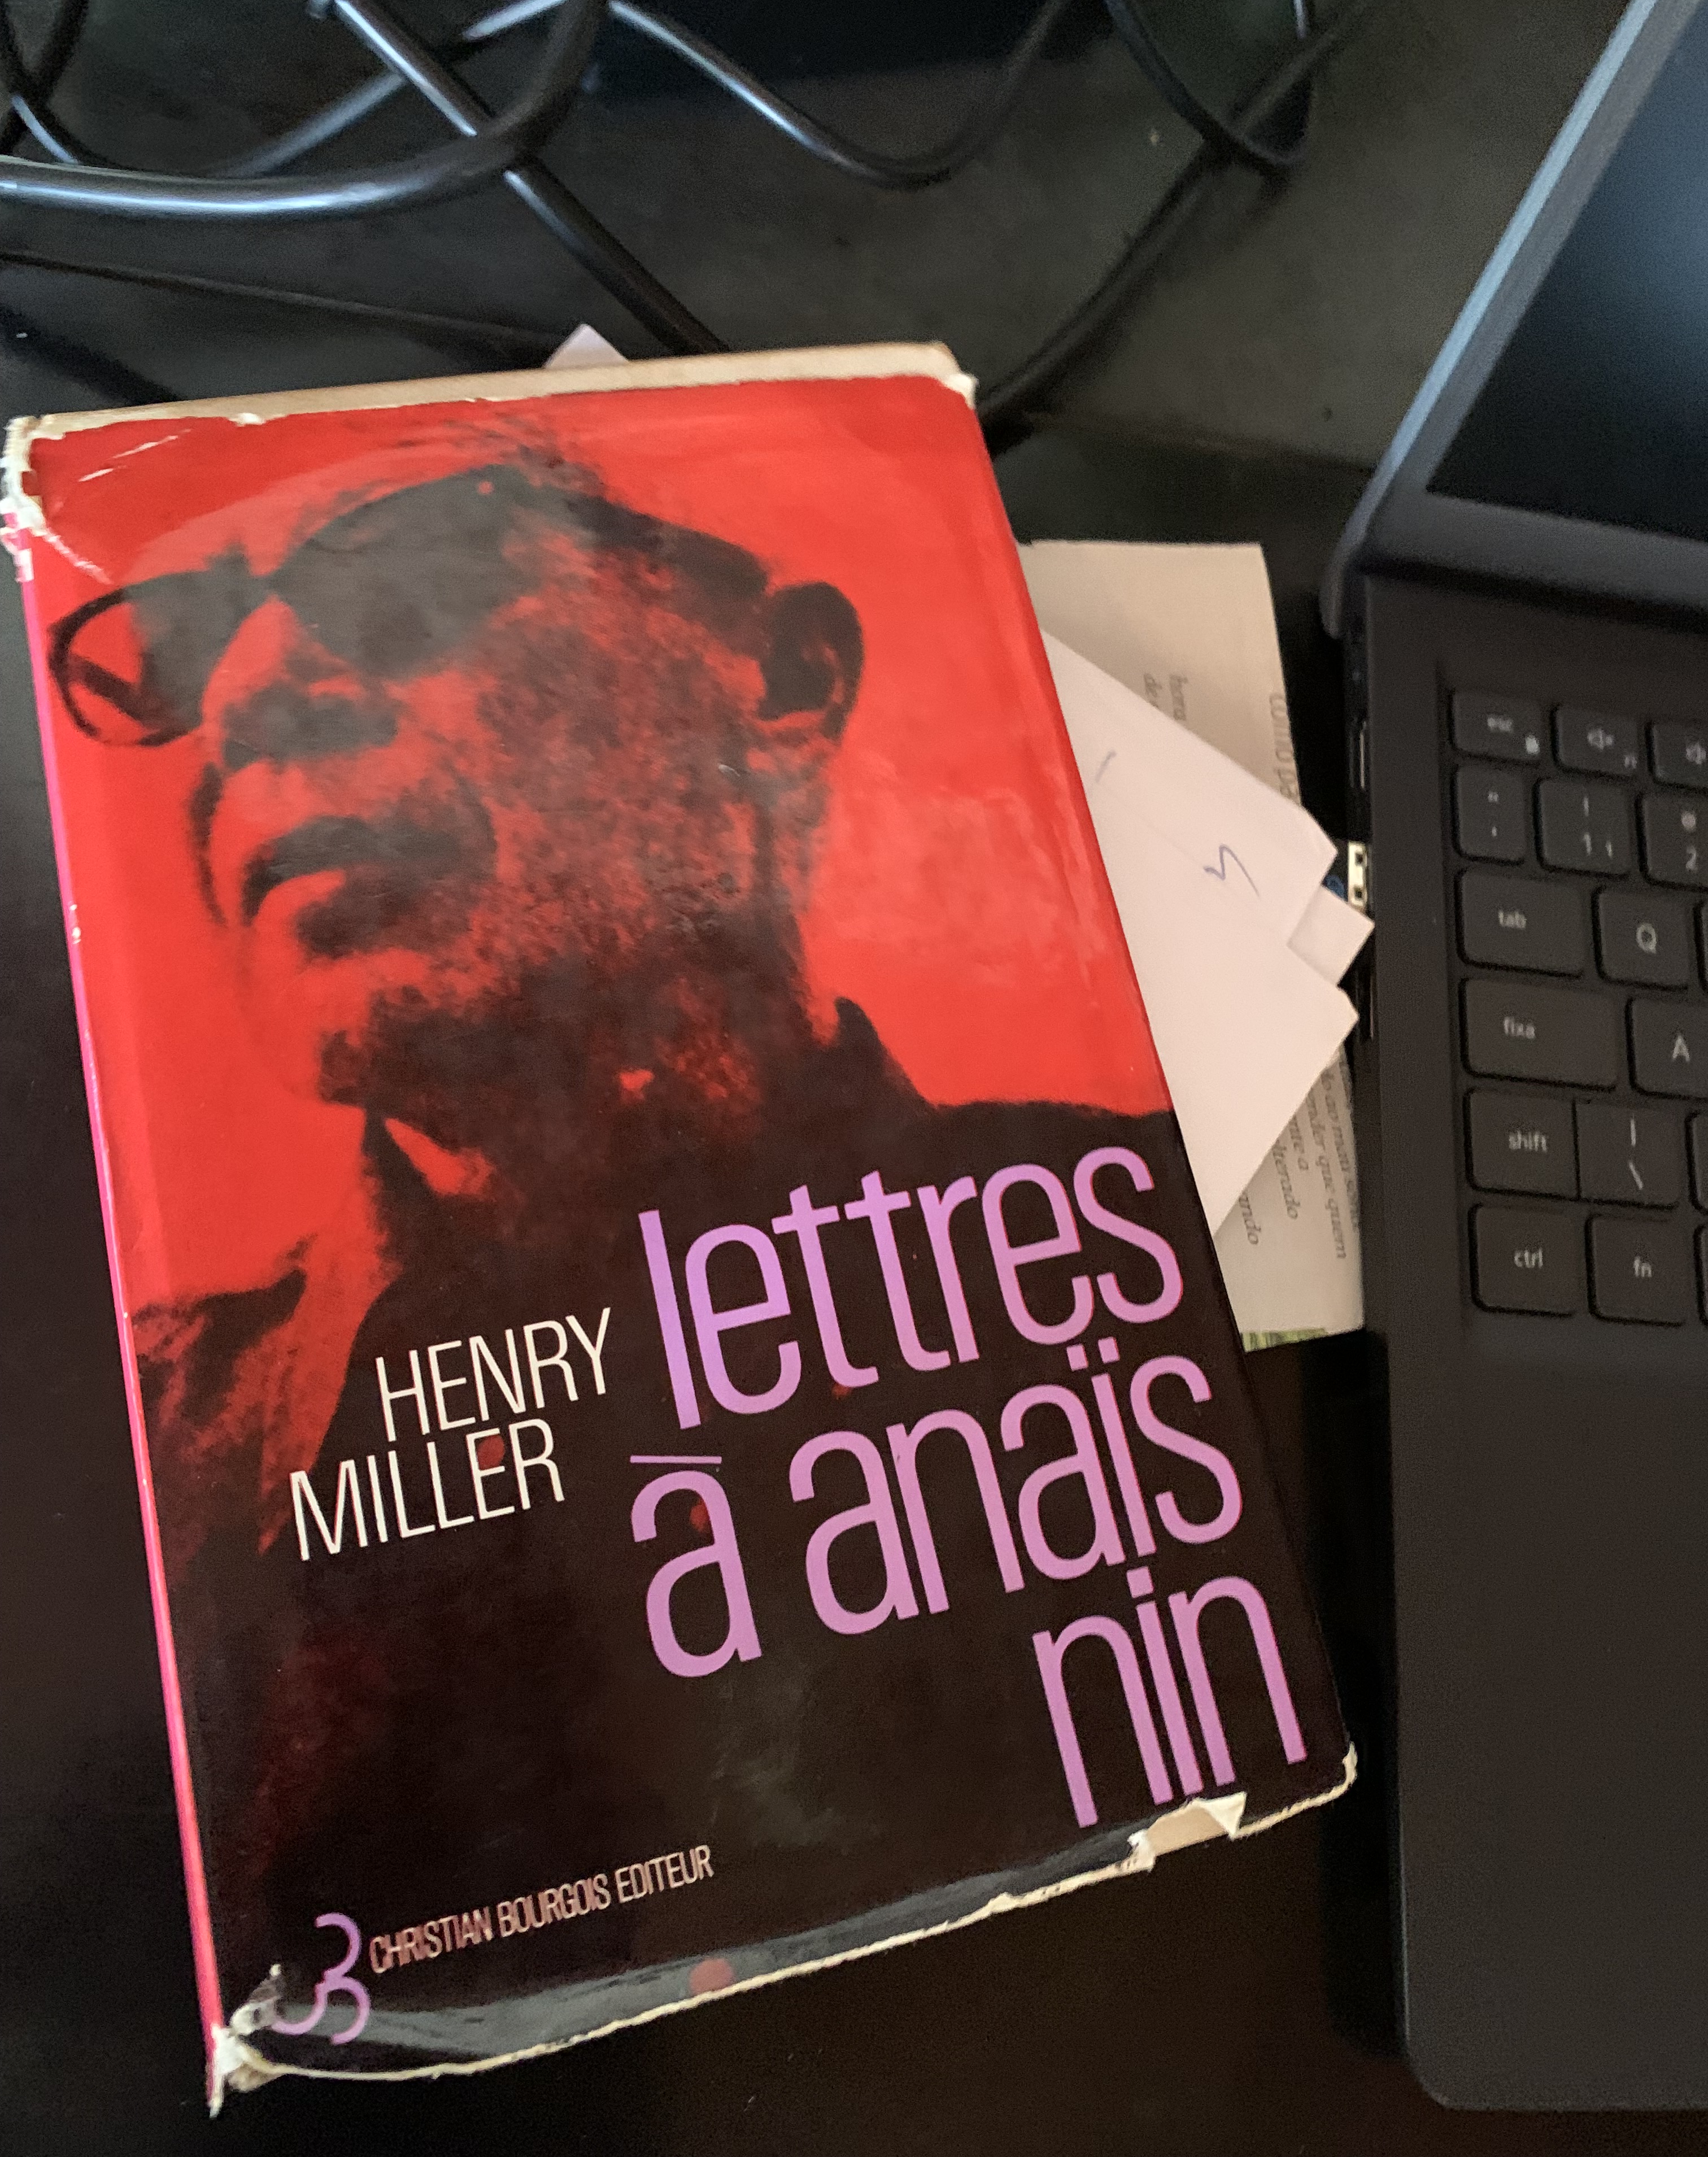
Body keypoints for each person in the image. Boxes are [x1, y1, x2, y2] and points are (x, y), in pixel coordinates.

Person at [48, 441, 1241, 2045]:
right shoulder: (133, 1457)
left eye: (417, 567)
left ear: (783, 684)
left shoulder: (1144, 1238)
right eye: (188, 652)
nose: (252, 693)